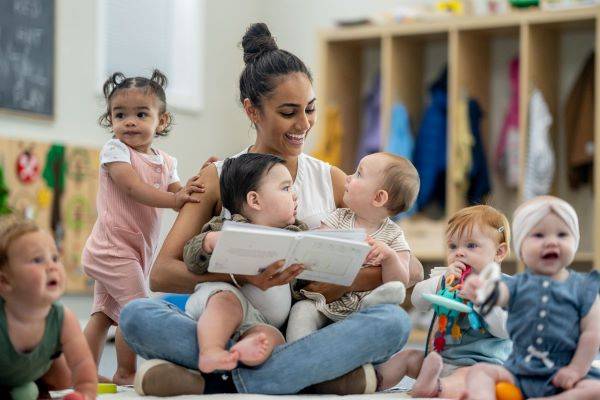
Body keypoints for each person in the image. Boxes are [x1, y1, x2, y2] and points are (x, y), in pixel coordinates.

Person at [120, 23, 422, 397]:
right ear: (253, 110)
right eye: (288, 112)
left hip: (306, 326)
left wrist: (329, 281)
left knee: (392, 322)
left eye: (310, 109)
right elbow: (161, 274)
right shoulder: (218, 177)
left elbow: (412, 268)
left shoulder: (332, 180)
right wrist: (241, 279)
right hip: (232, 319)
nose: (304, 124)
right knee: (137, 316)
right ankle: (307, 377)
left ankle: (222, 380)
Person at [81, 70, 203, 385]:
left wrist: (198, 182)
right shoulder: (115, 152)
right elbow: (134, 188)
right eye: (120, 115)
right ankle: (126, 371)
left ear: (161, 121)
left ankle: (80, 372)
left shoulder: (166, 161)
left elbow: (181, 196)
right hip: (112, 249)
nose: (130, 121)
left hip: (134, 251)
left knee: (103, 316)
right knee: (135, 310)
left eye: (141, 114)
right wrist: (174, 200)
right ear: (110, 119)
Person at [462, 196, 600, 400]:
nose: (551, 241)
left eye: (562, 234)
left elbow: (592, 334)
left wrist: (576, 370)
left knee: (595, 389)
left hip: (564, 374)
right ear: (521, 247)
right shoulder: (517, 284)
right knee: (479, 371)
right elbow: (498, 294)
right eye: (538, 235)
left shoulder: (584, 288)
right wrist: (482, 291)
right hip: (519, 372)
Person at [183, 153, 307, 373]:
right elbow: (192, 259)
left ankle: (239, 353)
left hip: (261, 321)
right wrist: (209, 243)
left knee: (273, 339)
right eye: (286, 188)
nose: (295, 195)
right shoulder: (227, 227)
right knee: (226, 303)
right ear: (255, 200)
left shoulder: (297, 235)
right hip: (224, 301)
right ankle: (211, 350)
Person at [377, 205, 512, 398]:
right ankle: (370, 380)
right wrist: (441, 282)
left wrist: (481, 301)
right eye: (453, 246)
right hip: (439, 359)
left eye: (471, 245)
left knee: (467, 377)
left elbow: (505, 329)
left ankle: (436, 388)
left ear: (499, 252)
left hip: (479, 366)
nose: (459, 252)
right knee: (408, 357)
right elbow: (418, 301)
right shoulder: (448, 278)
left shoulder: (504, 288)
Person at [286, 152, 418, 341]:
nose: (348, 177)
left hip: (366, 309)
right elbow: (314, 246)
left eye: (358, 174)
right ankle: (298, 355)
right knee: (301, 311)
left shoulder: (393, 235)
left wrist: (389, 257)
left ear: (379, 197)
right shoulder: (338, 218)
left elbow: (400, 282)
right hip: (326, 302)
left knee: (386, 311)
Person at [0, 218, 97, 400]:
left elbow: (82, 363)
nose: (51, 266)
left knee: (65, 380)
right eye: (37, 260)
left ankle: (30, 386)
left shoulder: (63, 318)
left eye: (54, 257)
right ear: (5, 282)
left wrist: (85, 392)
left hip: (34, 369)